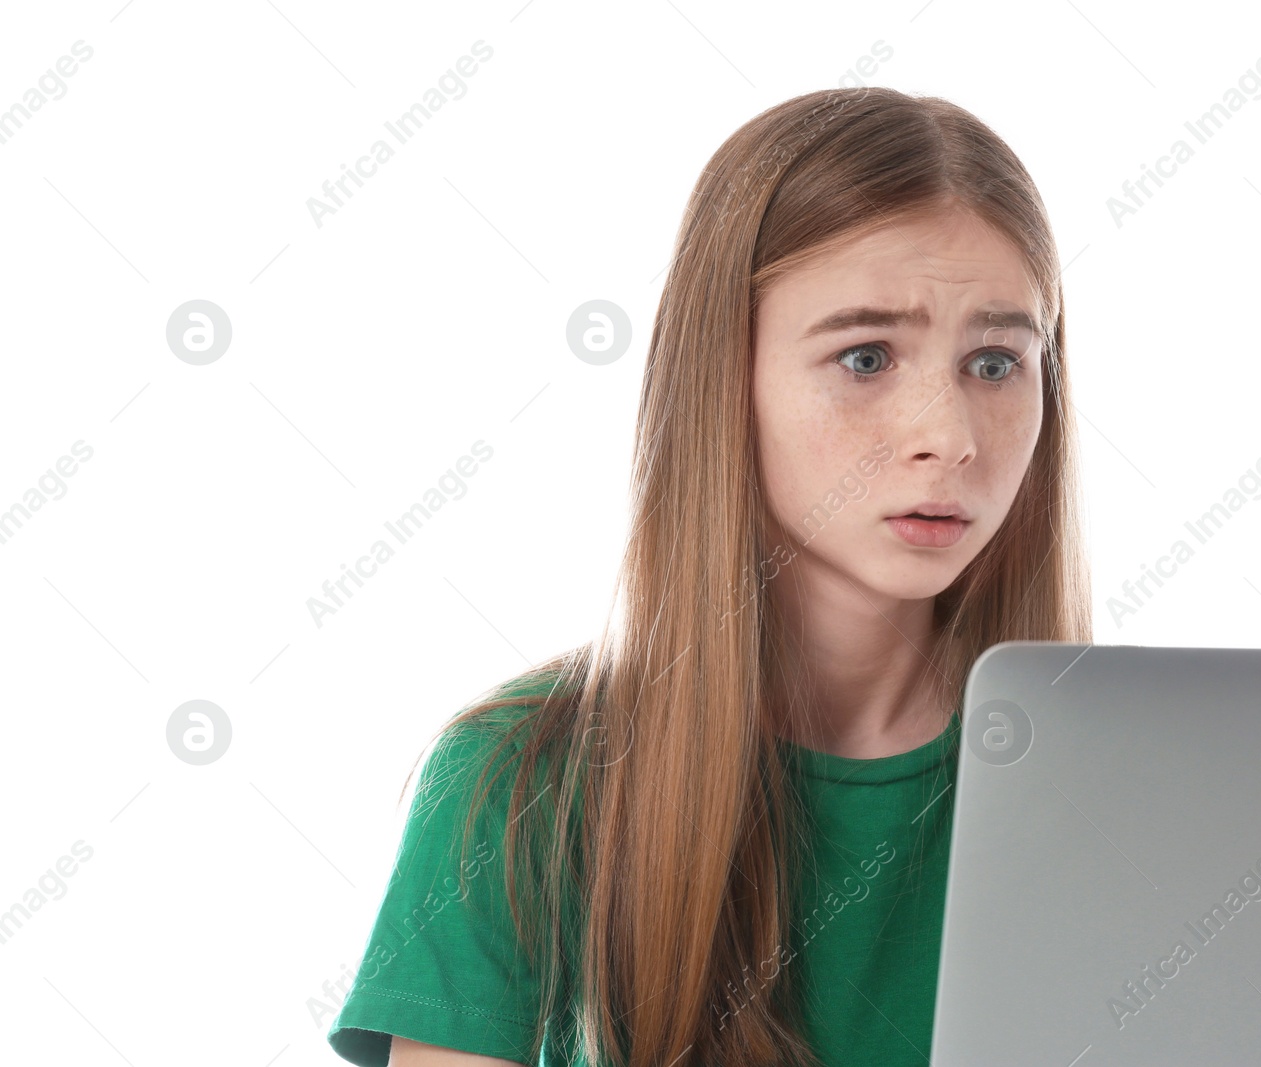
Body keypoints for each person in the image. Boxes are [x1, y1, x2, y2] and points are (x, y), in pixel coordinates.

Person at [325, 85, 1092, 1067]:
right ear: (722, 380)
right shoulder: (518, 784)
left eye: (994, 363)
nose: (946, 437)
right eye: (865, 357)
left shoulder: (1121, 784)